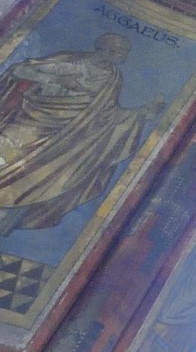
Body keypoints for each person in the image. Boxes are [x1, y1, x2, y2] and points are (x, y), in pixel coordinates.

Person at [0, 34, 147, 233]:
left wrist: (140, 114)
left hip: (63, 140)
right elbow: (19, 69)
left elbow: (107, 114)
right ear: (108, 49)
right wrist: (56, 79)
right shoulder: (71, 61)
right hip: (30, 124)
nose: (125, 56)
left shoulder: (112, 78)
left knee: (36, 182)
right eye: (123, 51)